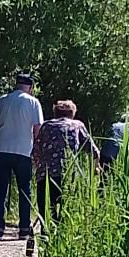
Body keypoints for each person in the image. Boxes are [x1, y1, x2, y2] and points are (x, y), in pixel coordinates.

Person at [0, 70, 43, 241]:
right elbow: (38, 129)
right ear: (30, 87)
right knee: (24, 190)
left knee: (0, 190)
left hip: (1, 149)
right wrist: (37, 149)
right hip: (23, 151)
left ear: (16, 85)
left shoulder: (3, 100)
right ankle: (24, 228)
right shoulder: (33, 103)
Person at [31, 98, 99, 231]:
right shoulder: (77, 125)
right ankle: (63, 234)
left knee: (46, 209)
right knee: (66, 210)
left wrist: (38, 167)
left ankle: (46, 235)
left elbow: (35, 152)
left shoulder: (46, 126)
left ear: (55, 113)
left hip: (46, 175)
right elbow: (94, 151)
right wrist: (96, 167)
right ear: (72, 114)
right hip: (68, 175)